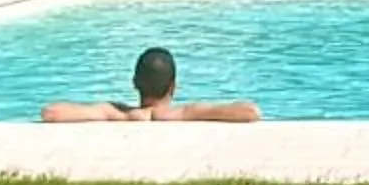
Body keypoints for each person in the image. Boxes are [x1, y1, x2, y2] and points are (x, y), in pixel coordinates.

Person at [39, 47, 261, 123]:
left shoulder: (116, 113)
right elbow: (250, 112)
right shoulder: (185, 113)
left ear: (134, 83)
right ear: (174, 86)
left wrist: (125, 116)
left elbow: (51, 113)